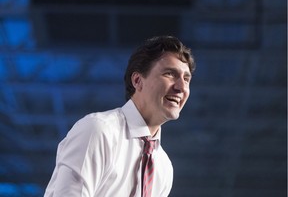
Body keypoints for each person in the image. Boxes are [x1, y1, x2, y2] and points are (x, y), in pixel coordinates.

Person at [44, 35, 196, 197]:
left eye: (186, 79)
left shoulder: (164, 167)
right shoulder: (98, 131)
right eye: (169, 74)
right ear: (137, 81)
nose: (181, 87)